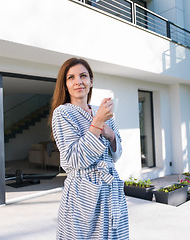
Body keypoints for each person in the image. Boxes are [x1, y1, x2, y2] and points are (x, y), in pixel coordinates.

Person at [49, 58, 129, 239]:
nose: (78, 81)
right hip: (82, 193)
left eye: (83, 76)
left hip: (111, 190)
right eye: (71, 77)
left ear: (91, 81)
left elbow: (117, 155)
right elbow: (72, 160)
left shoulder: (100, 110)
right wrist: (98, 123)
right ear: (65, 84)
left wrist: (111, 135)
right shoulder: (63, 113)